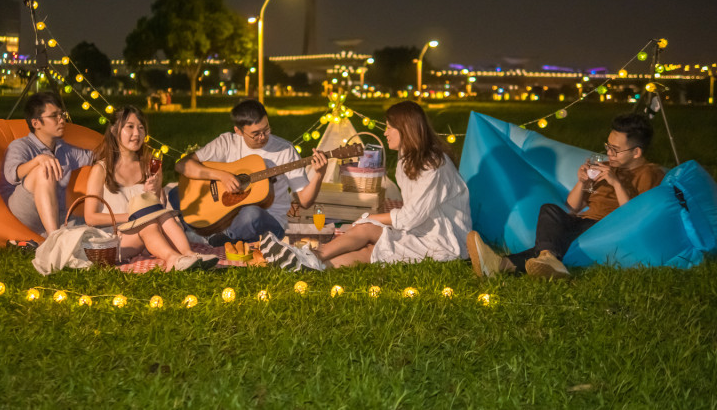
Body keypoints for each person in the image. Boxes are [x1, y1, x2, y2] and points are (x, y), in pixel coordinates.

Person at [261, 100, 473, 270]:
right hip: (420, 229)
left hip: (442, 241)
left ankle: (316, 266)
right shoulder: (407, 158)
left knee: (374, 249)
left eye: (390, 128)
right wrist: (366, 221)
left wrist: (368, 217)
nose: (385, 132)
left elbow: (411, 216)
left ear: (406, 130)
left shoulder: (432, 165)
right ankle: (308, 257)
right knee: (366, 229)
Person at [467, 112, 666, 279]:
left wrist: (616, 183)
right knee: (550, 210)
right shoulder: (605, 167)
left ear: (636, 152)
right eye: (608, 147)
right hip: (581, 222)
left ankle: (501, 265)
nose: (609, 154)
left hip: (607, 227)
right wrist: (582, 182)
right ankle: (546, 259)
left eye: (615, 150)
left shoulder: (649, 173)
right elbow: (573, 207)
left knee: (558, 239)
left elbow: (637, 216)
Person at [175, 99, 328, 246]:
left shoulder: (285, 150)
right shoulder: (227, 142)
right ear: (238, 131)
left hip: (268, 221)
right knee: (178, 193)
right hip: (227, 216)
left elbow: (305, 201)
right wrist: (221, 176)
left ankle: (211, 237)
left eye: (266, 129)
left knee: (252, 214)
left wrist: (319, 175)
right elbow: (183, 165)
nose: (263, 137)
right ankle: (215, 234)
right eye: (255, 133)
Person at [84, 106, 217, 271]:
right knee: (147, 221)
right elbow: (90, 217)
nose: (137, 133)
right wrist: (132, 217)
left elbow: (159, 207)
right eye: (130, 127)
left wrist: (153, 192)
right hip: (116, 239)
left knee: (161, 214)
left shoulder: (149, 166)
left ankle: (189, 255)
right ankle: (172, 259)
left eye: (141, 128)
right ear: (113, 130)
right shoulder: (101, 169)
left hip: (150, 231)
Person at [0, 92, 93, 236]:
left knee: (96, 229)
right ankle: (55, 240)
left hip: (55, 213)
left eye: (62, 115)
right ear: (36, 123)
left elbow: (94, 157)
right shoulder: (20, 145)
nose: (62, 120)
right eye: (54, 116)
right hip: (22, 211)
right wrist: (38, 160)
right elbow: (12, 175)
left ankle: (55, 234)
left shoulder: (65, 150)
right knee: (44, 170)